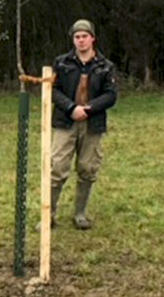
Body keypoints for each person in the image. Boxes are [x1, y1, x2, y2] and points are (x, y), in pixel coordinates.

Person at [44, 19, 117, 230]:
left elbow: (111, 96)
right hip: (65, 123)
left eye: (84, 36)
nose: (81, 40)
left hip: (92, 125)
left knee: (87, 168)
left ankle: (80, 214)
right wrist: (70, 108)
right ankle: (49, 215)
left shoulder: (105, 66)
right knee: (57, 167)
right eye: (77, 37)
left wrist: (89, 108)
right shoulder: (62, 63)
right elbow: (53, 90)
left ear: (92, 38)